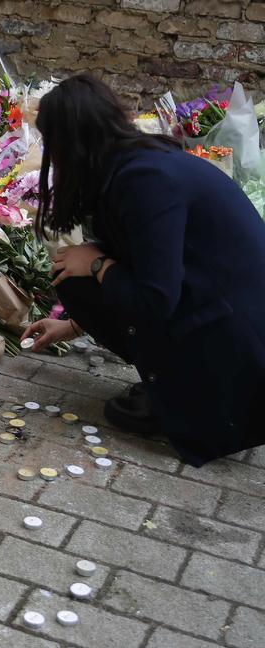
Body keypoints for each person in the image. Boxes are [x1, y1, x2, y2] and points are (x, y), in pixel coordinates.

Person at [21, 73, 265, 467]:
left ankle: (192, 399)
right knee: (75, 279)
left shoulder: (146, 182)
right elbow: (144, 261)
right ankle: (178, 383)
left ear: (73, 142)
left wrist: (97, 263)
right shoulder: (133, 163)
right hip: (218, 311)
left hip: (242, 349)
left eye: (52, 142)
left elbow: (155, 297)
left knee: (83, 269)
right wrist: (73, 326)